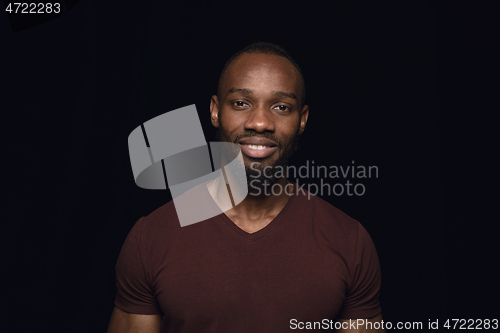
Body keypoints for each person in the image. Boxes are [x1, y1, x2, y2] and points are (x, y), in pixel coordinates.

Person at [107, 42, 386, 333]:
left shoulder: (349, 242)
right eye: (241, 103)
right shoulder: (151, 237)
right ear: (215, 111)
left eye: (281, 107)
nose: (261, 122)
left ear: (302, 120)